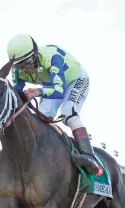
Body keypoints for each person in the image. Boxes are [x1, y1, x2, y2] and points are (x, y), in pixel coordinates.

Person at [7, 34, 99, 175]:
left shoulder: (53, 59)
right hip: (52, 83)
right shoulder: (17, 70)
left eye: (26, 63)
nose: (24, 69)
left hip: (75, 80)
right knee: (42, 116)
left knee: (68, 113)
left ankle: (89, 156)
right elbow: (17, 94)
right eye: (19, 66)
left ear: (36, 54)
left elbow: (59, 90)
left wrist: (38, 91)